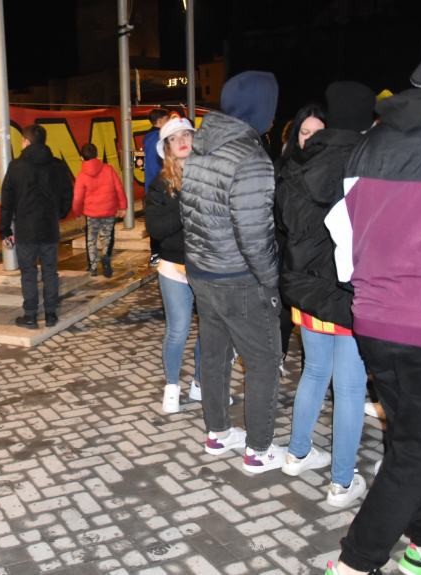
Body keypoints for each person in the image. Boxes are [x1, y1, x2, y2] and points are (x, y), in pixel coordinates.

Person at [322, 20, 421, 575]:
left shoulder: (371, 142)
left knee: (412, 442)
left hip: (373, 320)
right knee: (420, 450)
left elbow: (345, 250)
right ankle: (354, 563)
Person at [179, 71, 285, 473]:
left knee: (216, 355)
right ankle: (259, 449)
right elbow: (256, 234)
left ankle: (218, 432)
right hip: (238, 277)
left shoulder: (201, 148)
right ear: (261, 109)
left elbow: (192, 216)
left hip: (203, 274)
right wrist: (271, 282)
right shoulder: (250, 157)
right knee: (262, 362)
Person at [274, 95, 371, 509]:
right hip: (347, 293)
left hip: (308, 291)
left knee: (314, 373)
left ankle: (298, 454)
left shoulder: (294, 170)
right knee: (348, 386)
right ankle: (341, 482)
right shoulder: (362, 165)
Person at [144, 117, 202, 413]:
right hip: (174, 267)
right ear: (166, 147)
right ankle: (171, 386)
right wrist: (186, 204)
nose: (182, 141)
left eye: (186, 135)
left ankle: (201, 384)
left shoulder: (209, 178)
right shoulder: (159, 185)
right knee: (178, 329)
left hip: (207, 267)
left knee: (212, 331)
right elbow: (157, 228)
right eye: (173, 138)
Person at [0, 124, 73, 329]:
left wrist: (5, 229)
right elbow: (68, 192)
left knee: (28, 273)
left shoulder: (16, 166)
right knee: (50, 271)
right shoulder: (57, 165)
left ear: (26, 141)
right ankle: (50, 314)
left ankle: (30, 315)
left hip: (26, 229)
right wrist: (59, 213)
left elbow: (7, 200)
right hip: (49, 227)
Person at [72, 143, 126, 277]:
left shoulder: (81, 176)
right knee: (106, 236)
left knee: (91, 239)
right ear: (97, 155)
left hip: (91, 213)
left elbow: (78, 198)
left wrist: (77, 213)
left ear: (81, 158)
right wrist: (123, 207)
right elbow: (119, 188)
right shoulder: (109, 169)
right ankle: (106, 257)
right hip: (108, 211)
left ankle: (93, 267)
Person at [142, 108, 171, 266]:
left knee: (157, 220)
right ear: (160, 122)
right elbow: (156, 166)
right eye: (167, 120)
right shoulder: (157, 138)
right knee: (162, 220)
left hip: (152, 186)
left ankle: (156, 253)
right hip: (159, 187)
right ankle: (157, 254)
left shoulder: (148, 137)